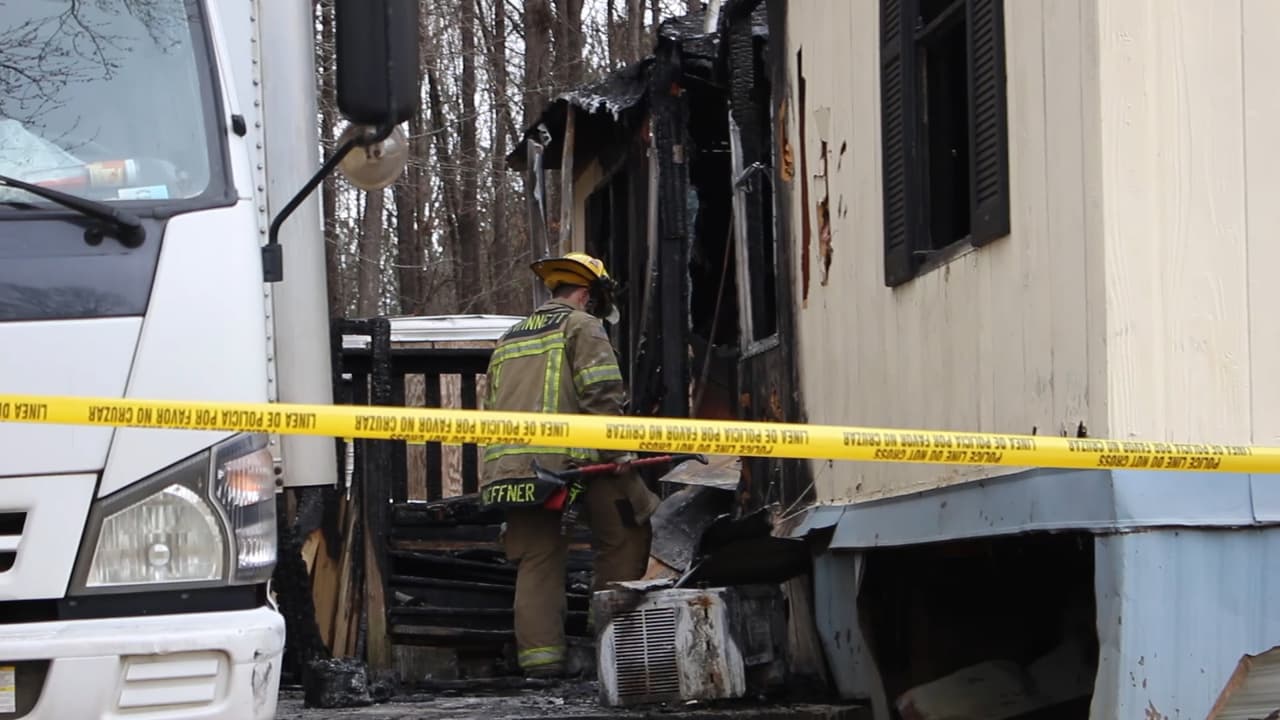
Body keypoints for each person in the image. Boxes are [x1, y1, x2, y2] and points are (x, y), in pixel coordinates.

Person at [479, 251, 660, 678]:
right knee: (628, 531)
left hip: (513, 471)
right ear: (587, 295)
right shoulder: (582, 325)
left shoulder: (509, 337)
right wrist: (618, 453)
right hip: (573, 461)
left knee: (537, 559)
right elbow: (600, 394)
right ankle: (610, 651)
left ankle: (541, 666)